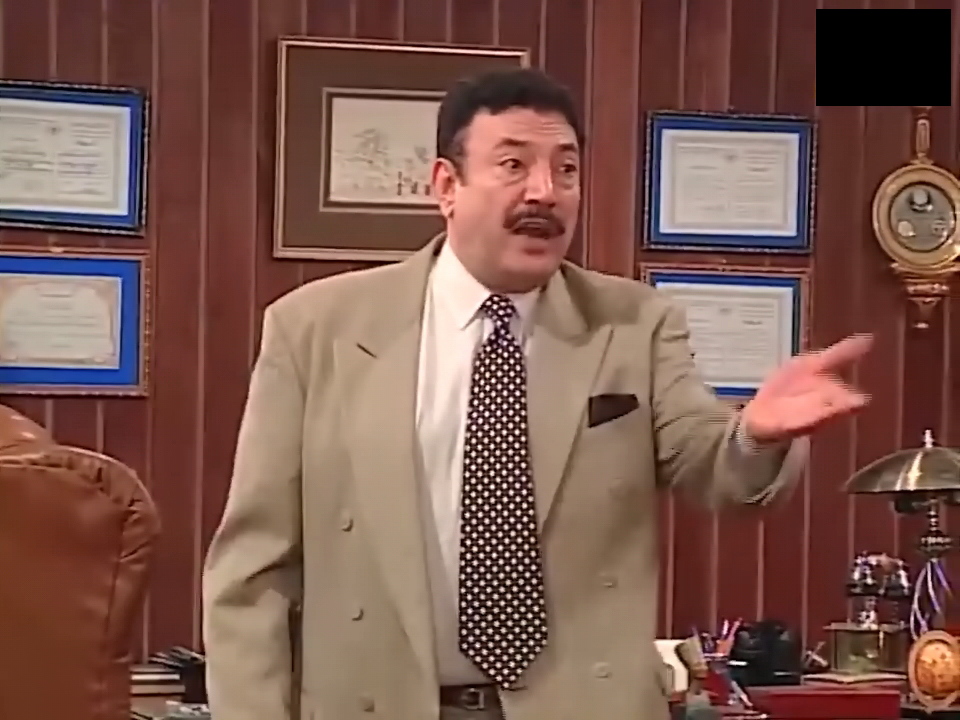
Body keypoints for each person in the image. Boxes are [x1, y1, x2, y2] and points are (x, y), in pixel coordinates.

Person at [201, 68, 871, 720]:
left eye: (566, 169)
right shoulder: (316, 329)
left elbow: (711, 464)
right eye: (513, 165)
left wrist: (755, 435)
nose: (545, 192)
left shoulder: (634, 325)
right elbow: (252, 572)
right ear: (446, 186)